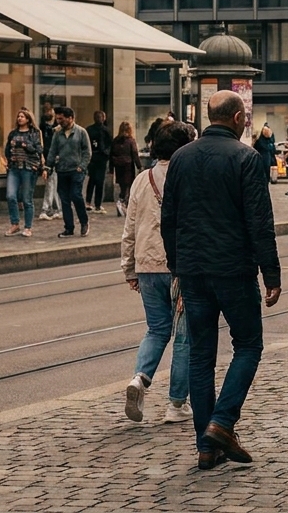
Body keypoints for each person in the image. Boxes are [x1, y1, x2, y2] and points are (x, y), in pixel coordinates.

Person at [162, 91, 281, 471]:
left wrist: (177, 267)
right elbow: (259, 223)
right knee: (248, 344)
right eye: (245, 116)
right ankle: (222, 422)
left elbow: (169, 218)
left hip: (193, 271)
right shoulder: (246, 158)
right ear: (236, 118)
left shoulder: (181, 157)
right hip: (233, 270)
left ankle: (206, 447)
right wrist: (271, 275)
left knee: (200, 355)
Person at [121, 119, 194, 425]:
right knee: (183, 336)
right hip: (180, 267)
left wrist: (129, 269)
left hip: (147, 264)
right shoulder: (189, 175)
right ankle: (176, 405)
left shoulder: (142, 179)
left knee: (156, 329)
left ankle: (140, 378)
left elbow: (129, 228)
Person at [47, 106, 92, 238]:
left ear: (70, 118)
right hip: (62, 169)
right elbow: (52, 151)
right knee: (64, 199)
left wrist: (82, 166)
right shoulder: (57, 133)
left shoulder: (81, 132)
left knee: (76, 195)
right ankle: (69, 227)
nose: (59, 121)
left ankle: (84, 222)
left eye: (62, 119)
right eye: (57, 118)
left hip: (76, 170)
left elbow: (87, 152)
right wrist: (48, 166)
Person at [4, 109, 45, 237]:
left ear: (28, 119)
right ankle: (15, 223)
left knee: (27, 199)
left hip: (28, 168)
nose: (20, 118)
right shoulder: (13, 133)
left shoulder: (34, 133)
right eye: (18, 116)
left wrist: (25, 145)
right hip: (14, 168)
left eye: (22, 116)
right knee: (11, 196)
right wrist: (10, 158)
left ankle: (28, 227)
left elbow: (39, 149)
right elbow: (7, 150)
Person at [110, 122, 141, 217]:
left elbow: (111, 155)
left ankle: (121, 202)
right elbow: (134, 154)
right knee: (130, 187)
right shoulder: (131, 141)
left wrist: (111, 169)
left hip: (118, 167)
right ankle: (123, 204)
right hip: (128, 166)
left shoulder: (115, 140)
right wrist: (139, 166)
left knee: (123, 186)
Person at [38, 107, 62, 220]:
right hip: (48, 157)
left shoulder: (57, 129)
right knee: (52, 183)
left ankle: (50, 208)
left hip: (55, 159)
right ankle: (52, 208)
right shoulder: (43, 128)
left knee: (53, 183)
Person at [85, 111, 111, 213]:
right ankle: (88, 202)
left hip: (101, 159)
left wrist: (106, 153)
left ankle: (98, 204)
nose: (99, 119)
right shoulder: (90, 130)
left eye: (101, 117)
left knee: (99, 181)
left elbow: (109, 144)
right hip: (93, 158)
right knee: (92, 180)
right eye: (98, 117)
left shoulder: (106, 131)